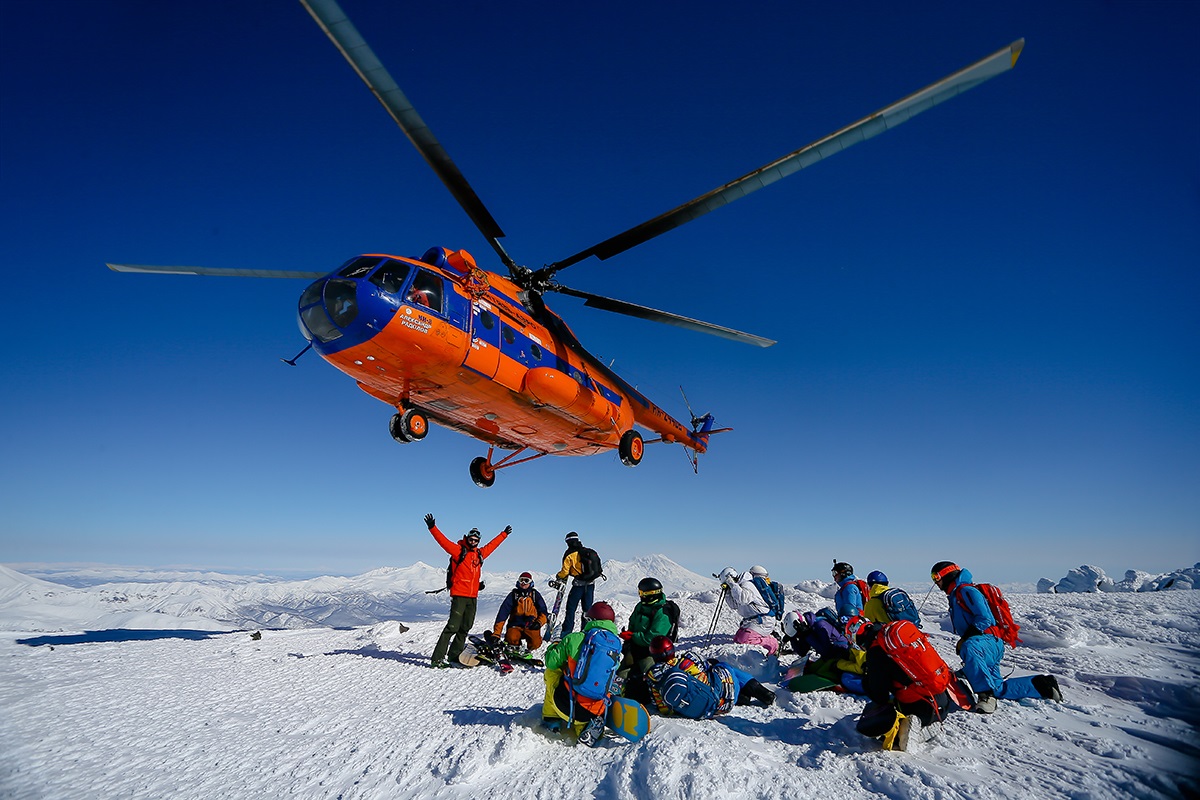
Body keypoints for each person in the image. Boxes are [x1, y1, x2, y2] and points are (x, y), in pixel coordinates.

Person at [932, 561, 1064, 713]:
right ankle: (1043, 685)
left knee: (970, 649)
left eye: (936, 576)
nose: (935, 582)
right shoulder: (956, 594)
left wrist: (964, 639)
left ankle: (985, 696)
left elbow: (985, 619)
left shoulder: (967, 591)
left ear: (948, 575)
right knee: (997, 688)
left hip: (986, 642)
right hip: (986, 643)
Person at [844, 615, 970, 751]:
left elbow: (880, 696)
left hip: (920, 707)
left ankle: (908, 731)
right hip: (941, 699)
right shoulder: (891, 636)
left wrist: (867, 679)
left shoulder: (876, 651)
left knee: (870, 724)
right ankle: (929, 726)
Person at [424, 513, 510, 668]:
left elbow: (492, 545)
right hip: (459, 596)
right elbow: (443, 542)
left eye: (476, 540)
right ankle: (437, 659)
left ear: (478, 541)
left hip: (472, 596)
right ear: (467, 538)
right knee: (452, 627)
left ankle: (454, 655)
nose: (473, 542)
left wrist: (503, 534)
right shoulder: (458, 550)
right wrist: (432, 527)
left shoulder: (480, 554)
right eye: (471, 539)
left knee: (465, 627)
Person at [542, 601, 622, 744]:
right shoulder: (616, 645)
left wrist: (555, 644)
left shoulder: (575, 638)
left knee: (552, 672)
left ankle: (551, 719)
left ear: (590, 620)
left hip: (566, 706)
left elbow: (551, 661)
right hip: (592, 712)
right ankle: (587, 727)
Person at [644, 635, 775, 719]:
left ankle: (743, 696)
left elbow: (663, 709)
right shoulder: (687, 661)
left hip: (692, 709)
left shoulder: (653, 676)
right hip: (719, 703)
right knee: (723, 666)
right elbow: (707, 673)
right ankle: (761, 691)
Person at [618, 577, 676, 705]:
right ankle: (617, 694)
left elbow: (652, 638)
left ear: (651, 594)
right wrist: (629, 638)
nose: (641, 596)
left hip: (653, 652)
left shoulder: (662, 613)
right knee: (621, 675)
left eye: (643, 594)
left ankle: (660, 698)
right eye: (640, 593)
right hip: (635, 648)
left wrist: (632, 636)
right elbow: (632, 622)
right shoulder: (640, 606)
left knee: (652, 677)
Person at [780, 609, 865, 691]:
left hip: (841, 652)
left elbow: (826, 650)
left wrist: (807, 634)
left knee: (821, 671)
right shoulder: (806, 628)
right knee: (812, 669)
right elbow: (802, 651)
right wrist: (792, 638)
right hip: (830, 655)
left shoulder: (820, 625)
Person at [716, 566, 779, 655]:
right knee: (737, 638)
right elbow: (734, 605)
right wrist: (728, 592)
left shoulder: (747, 584)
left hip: (764, 620)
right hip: (753, 620)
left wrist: (732, 584)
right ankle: (762, 637)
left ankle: (773, 644)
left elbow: (743, 598)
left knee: (745, 640)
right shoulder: (738, 587)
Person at [554, 531, 602, 637]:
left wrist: (559, 576)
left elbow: (564, 572)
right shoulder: (585, 551)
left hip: (578, 585)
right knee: (587, 609)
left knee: (571, 608)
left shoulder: (569, 554)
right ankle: (585, 631)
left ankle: (567, 631)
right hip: (590, 584)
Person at [491, 572, 548, 651]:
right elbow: (502, 614)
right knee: (512, 640)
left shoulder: (535, 595)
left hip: (531, 625)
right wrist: (496, 634)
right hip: (515, 625)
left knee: (535, 644)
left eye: (526, 580)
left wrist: (539, 623)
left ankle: (529, 648)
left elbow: (543, 611)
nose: (523, 583)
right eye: (521, 580)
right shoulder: (513, 595)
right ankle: (514, 647)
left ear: (530, 582)